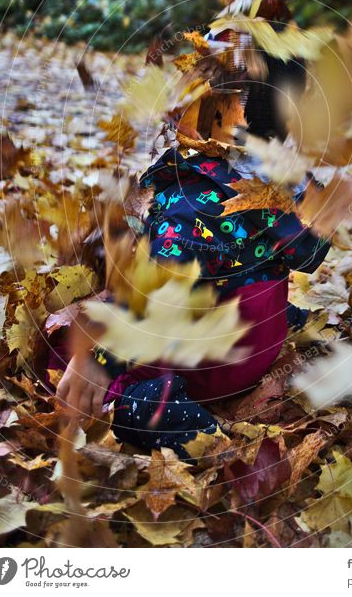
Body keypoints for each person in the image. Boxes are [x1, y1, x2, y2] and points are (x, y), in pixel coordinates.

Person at [56, 34, 331, 459]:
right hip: (260, 335)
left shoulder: (190, 203)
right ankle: (284, 316)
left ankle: (206, 438)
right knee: (244, 276)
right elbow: (309, 253)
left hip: (210, 363)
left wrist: (101, 360)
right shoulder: (281, 180)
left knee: (117, 390)